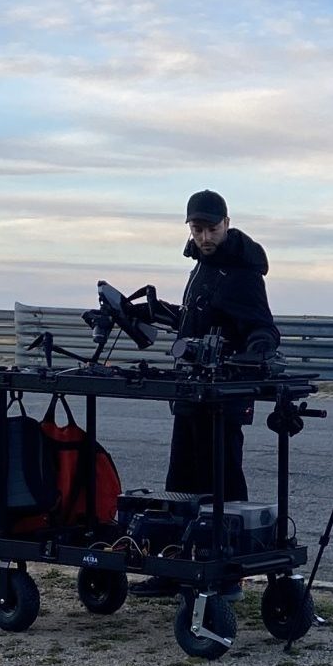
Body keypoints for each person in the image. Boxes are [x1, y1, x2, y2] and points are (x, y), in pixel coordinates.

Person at [131, 188, 280, 598]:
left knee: (224, 484)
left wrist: (252, 356)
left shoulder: (243, 273)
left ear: (227, 224)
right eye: (197, 229)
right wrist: (150, 313)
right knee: (180, 481)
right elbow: (196, 320)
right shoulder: (200, 267)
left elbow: (263, 329)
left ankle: (227, 576)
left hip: (223, 398)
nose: (204, 237)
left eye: (210, 229)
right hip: (190, 393)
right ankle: (174, 567)